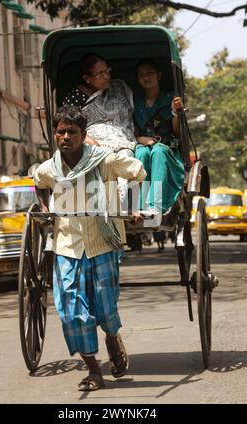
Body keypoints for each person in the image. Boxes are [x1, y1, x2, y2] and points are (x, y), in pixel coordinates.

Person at [33, 106, 146, 392]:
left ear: (84, 135)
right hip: (67, 246)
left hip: (102, 243)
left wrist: (132, 204)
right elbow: (38, 183)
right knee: (71, 311)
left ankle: (111, 336)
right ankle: (94, 370)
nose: (65, 137)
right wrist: (46, 208)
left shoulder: (104, 161)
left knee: (105, 309)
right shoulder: (50, 168)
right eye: (60, 131)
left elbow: (138, 171)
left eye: (72, 132)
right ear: (55, 135)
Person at [63, 53, 137, 204]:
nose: (106, 76)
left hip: (123, 140)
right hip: (91, 143)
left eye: (107, 71)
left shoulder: (118, 88)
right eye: (100, 74)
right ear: (87, 78)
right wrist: (89, 141)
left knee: (124, 161)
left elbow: (129, 116)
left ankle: (119, 206)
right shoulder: (76, 98)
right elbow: (69, 126)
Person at [134, 59, 185, 216]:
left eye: (150, 73)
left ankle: (155, 206)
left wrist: (175, 112)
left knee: (158, 151)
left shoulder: (172, 98)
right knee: (141, 153)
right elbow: (133, 132)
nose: (146, 77)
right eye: (141, 75)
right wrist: (142, 140)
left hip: (167, 150)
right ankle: (139, 206)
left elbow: (178, 132)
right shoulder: (135, 102)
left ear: (159, 75)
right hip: (143, 145)